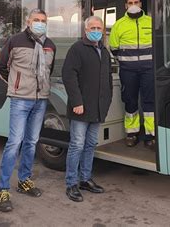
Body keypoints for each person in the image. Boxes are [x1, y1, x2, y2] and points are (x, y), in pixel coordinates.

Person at [0, 8, 56, 212]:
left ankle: (24, 181)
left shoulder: (50, 45)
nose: (40, 23)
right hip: (20, 100)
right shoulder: (16, 40)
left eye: (43, 20)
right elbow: (2, 66)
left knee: (31, 142)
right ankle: (3, 189)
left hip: (41, 100)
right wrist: (16, 86)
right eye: (36, 20)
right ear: (28, 21)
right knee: (14, 143)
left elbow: (49, 71)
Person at [62, 16, 113, 202]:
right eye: (93, 27)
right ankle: (71, 183)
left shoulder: (104, 51)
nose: (97, 30)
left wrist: (106, 102)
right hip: (80, 109)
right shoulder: (77, 49)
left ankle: (85, 179)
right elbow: (68, 76)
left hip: (97, 109)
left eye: (99, 27)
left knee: (91, 145)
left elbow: (107, 79)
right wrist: (76, 102)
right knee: (77, 145)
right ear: (85, 30)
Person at [109, 0, 155, 148]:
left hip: (149, 70)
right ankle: (132, 133)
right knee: (130, 101)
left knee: (149, 102)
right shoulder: (119, 25)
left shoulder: (151, 22)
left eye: (136, 2)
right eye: (130, 2)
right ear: (125, 6)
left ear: (141, 4)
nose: (133, 4)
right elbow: (113, 47)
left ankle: (150, 134)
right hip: (128, 71)